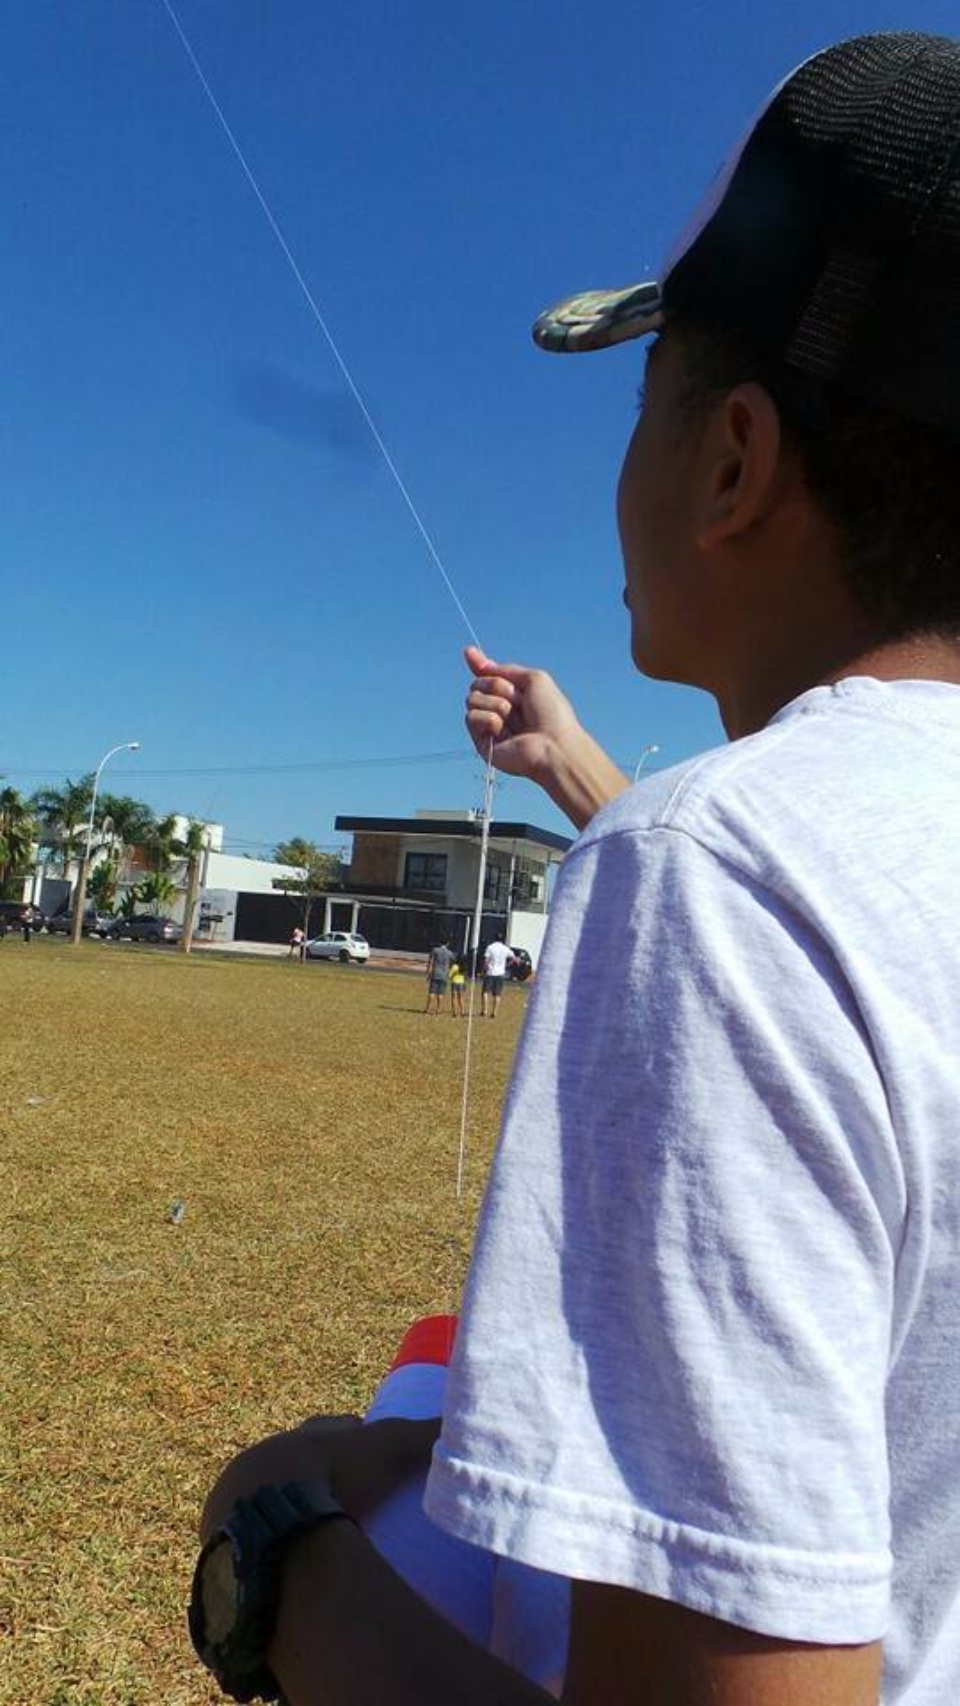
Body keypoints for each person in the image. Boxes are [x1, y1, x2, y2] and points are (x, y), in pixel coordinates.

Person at [193, 33, 960, 1705]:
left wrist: (278, 1551)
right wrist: (578, 768)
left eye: (642, 395)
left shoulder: (719, 871)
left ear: (735, 462)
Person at [480, 936, 515, 1017]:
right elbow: (514, 958)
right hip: (500, 973)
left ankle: (484, 1010)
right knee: (497, 994)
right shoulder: (505, 948)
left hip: (490, 972)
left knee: (485, 992)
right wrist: (506, 965)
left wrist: (484, 969)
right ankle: (494, 1012)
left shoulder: (490, 947)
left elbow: (486, 960)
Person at [424, 939, 455, 1015]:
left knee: (432, 992)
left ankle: (428, 1008)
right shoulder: (450, 953)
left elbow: (430, 962)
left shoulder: (435, 950)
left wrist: (428, 972)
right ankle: (438, 1009)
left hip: (435, 973)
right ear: (447, 943)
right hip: (444, 975)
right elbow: (453, 962)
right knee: (441, 993)